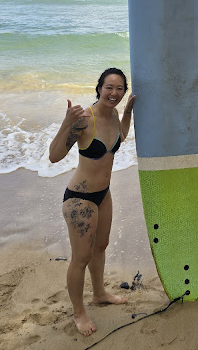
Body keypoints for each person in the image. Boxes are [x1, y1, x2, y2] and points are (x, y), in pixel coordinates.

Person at [49, 67, 136, 336]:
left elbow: (121, 136)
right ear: (99, 88)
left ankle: (99, 294)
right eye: (109, 87)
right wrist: (66, 123)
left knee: (101, 247)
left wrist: (128, 111)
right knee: (81, 258)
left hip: (103, 195)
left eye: (120, 88)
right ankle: (78, 313)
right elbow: (54, 156)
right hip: (80, 199)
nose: (114, 93)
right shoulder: (84, 120)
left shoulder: (114, 115)